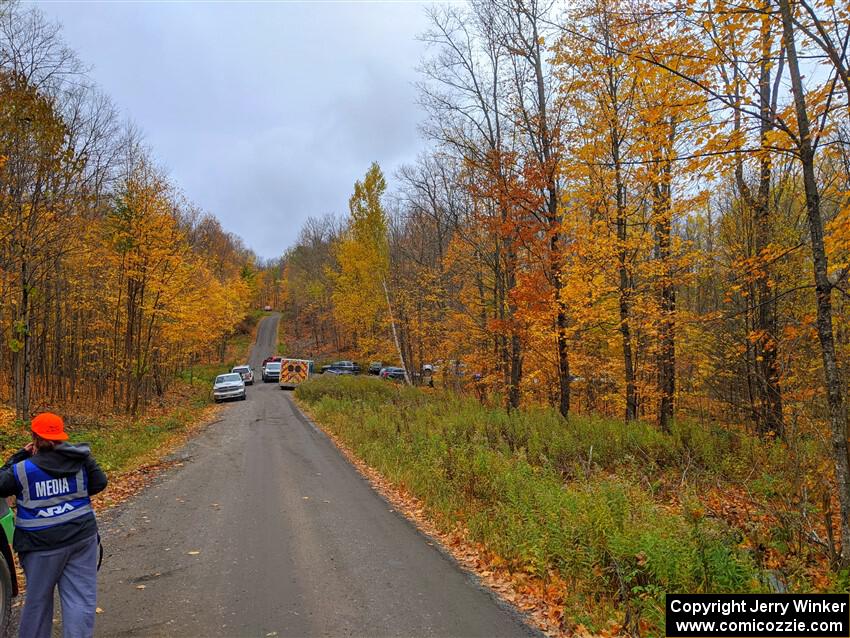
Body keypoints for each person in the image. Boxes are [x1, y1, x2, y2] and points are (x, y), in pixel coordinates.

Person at [0, 412, 107, 638]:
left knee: (37, 603)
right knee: (80, 599)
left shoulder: (22, 469)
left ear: (34, 438)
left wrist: (18, 455)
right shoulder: (79, 461)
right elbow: (99, 482)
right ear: (61, 436)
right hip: (81, 538)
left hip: (40, 546)